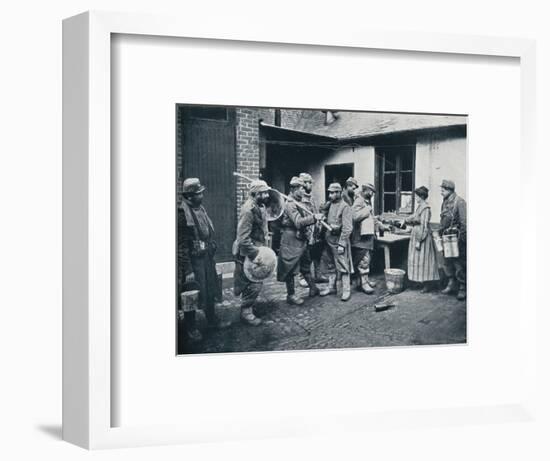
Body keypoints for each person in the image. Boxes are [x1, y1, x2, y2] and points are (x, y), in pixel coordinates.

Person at [178, 178, 230, 343]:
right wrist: (188, 270)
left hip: (206, 257)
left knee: (209, 289)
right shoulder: (181, 215)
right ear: (190, 196)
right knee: (191, 293)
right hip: (193, 262)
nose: (202, 195)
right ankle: (191, 328)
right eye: (199, 193)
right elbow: (180, 246)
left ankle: (212, 320)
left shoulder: (200, 209)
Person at [277, 177, 324, 304]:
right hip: (291, 239)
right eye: (301, 188)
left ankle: (313, 288)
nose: (303, 191)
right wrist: (313, 218)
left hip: (301, 238)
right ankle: (291, 295)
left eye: (304, 188)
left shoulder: (300, 202)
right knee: (291, 267)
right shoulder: (290, 204)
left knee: (306, 264)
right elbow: (298, 222)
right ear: (293, 189)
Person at [233, 179, 272, 325]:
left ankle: (248, 307)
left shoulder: (258, 205)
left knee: (254, 281)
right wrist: (255, 254)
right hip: (247, 253)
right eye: (264, 192)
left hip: (255, 249)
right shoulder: (248, 210)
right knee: (252, 283)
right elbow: (242, 238)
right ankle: (246, 312)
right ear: (256, 194)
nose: (267, 195)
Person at [319, 183, 354, 301]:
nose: (331, 195)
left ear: (339, 193)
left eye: (333, 192)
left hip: (338, 241)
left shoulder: (345, 207)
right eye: (330, 192)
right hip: (328, 240)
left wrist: (342, 244)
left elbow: (348, 228)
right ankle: (331, 287)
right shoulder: (329, 205)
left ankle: (346, 290)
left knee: (343, 266)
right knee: (330, 265)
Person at [403, 186, 440, 292]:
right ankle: (420, 282)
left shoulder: (425, 208)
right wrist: (406, 221)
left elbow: (424, 226)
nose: (416, 198)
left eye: (417, 196)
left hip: (422, 238)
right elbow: (414, 217)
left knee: (425, 261)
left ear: (422, 196)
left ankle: (428, 285)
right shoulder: (420, 207)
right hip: (417, 235)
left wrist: (419, 240)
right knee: (417, 260)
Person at [351, 183, 382, 294]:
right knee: (363, 261)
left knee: (366, 259)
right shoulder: (359, 201)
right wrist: (367, 210)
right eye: (371, 191)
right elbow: (354, 217)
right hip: (360, 237)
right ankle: (363, 284)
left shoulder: (367, 202)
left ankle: (364, 281)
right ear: (366, 191)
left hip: (367, 237)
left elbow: (370, 217)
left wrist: (379, 225)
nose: (372, 194)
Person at [439, 179, 467, 301]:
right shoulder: (444, 202)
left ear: (450, 190)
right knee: (447, 261)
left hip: (456, 238)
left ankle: (462, 287)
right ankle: (451, 283)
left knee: (458, 263)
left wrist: (462, 239)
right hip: (446, 237)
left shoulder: (459, 202)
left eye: (443, 189)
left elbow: (464, 222)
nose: (441, 191)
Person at [299, 172, 328, 283]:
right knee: (305, 256)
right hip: (306, 231)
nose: (311, 185)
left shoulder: (312, 198)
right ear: (304, 184)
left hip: (315, 231)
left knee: (317, 253)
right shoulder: (300, 199)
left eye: (311, 182)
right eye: (309, 183)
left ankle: (318, 275)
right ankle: (303, 277)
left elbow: (315, 212)